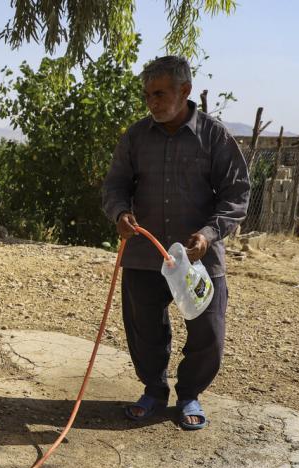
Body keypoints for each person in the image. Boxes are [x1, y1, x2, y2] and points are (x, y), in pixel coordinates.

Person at [101, 56, 250, 430]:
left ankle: (189, 394)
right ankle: (153, 390)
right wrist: (119, 213)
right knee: (144, 327)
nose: (152, 102)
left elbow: (236, 195)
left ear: (185, 91)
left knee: (209, 333)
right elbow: (115, 185)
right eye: (147, 95)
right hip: (143, 253)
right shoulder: (135, 137)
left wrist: (209, 233)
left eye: (160, 93)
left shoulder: (215, 137)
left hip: (199, 258)